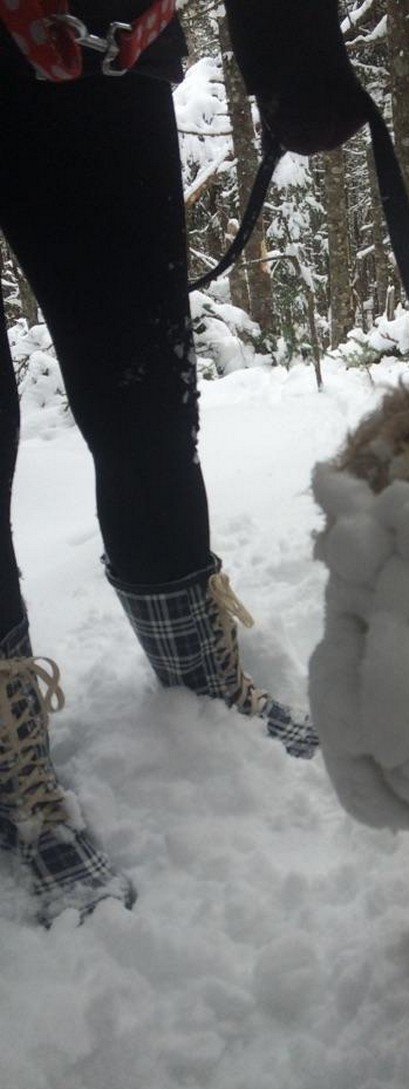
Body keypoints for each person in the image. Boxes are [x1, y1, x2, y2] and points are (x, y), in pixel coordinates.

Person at [0, 0, 370, 923]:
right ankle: (10, 762)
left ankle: (196, 666)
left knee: (148, 400)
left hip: (96, 51)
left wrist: (290, 46)